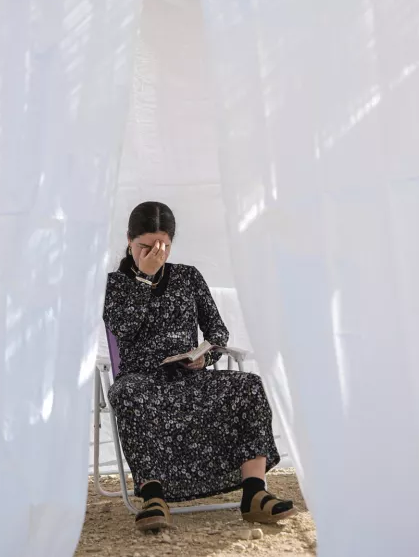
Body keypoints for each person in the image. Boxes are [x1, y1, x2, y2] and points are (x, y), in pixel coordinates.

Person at [103, 201, 297, 532]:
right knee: (127, 393)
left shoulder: (188, 277)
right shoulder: (114, 284)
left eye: (162, 246)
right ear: (128, 240)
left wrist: (205, 356)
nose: (154, 253)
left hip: (189, 376)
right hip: (141, 381)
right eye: (144, 246)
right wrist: (145, 280)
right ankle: (153, 496)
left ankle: (254, 493)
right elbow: (123, 327)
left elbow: (217, 331)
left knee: (249, 385)